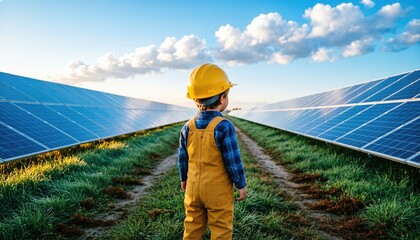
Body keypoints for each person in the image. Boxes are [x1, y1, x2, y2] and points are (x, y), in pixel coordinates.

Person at [178, 63, 247, 239]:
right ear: (223, 98)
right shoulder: (224, 126)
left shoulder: (187, 127)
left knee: (192, 226)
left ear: (195, 99)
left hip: (193, 189)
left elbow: (183, 158)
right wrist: (240, 184)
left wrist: (184, 179)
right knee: (221, 229)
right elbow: (233, 161)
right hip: (218, 192)